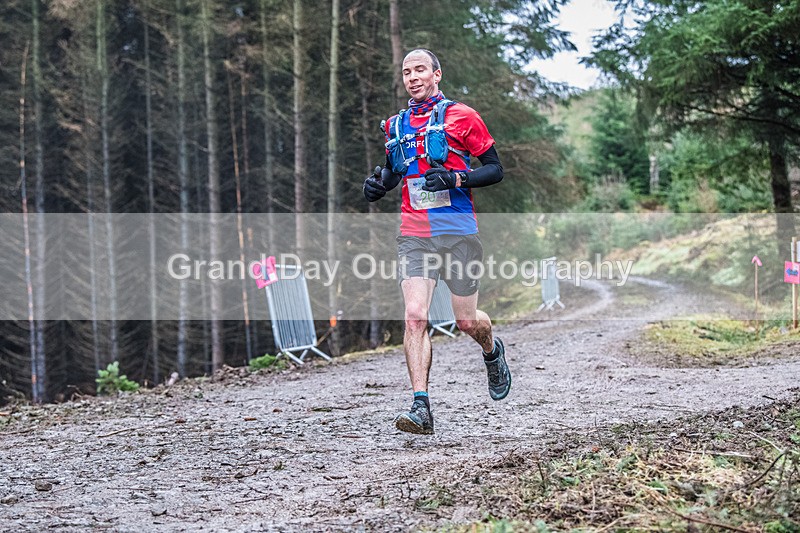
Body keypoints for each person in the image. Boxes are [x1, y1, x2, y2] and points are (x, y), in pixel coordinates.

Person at [363, 49, 510, 435]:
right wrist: (378, 185)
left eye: (420, 70)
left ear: (437, 74)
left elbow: (495, 169)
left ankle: (492, 350)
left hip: (458, 232)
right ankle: (420, 406)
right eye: (406, 72)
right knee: (415, 315)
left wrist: (457, 179)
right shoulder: (396, 125)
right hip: (415, 235)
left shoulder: (463, 116)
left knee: (466, 321)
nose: (412, 77)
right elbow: (394, 171)